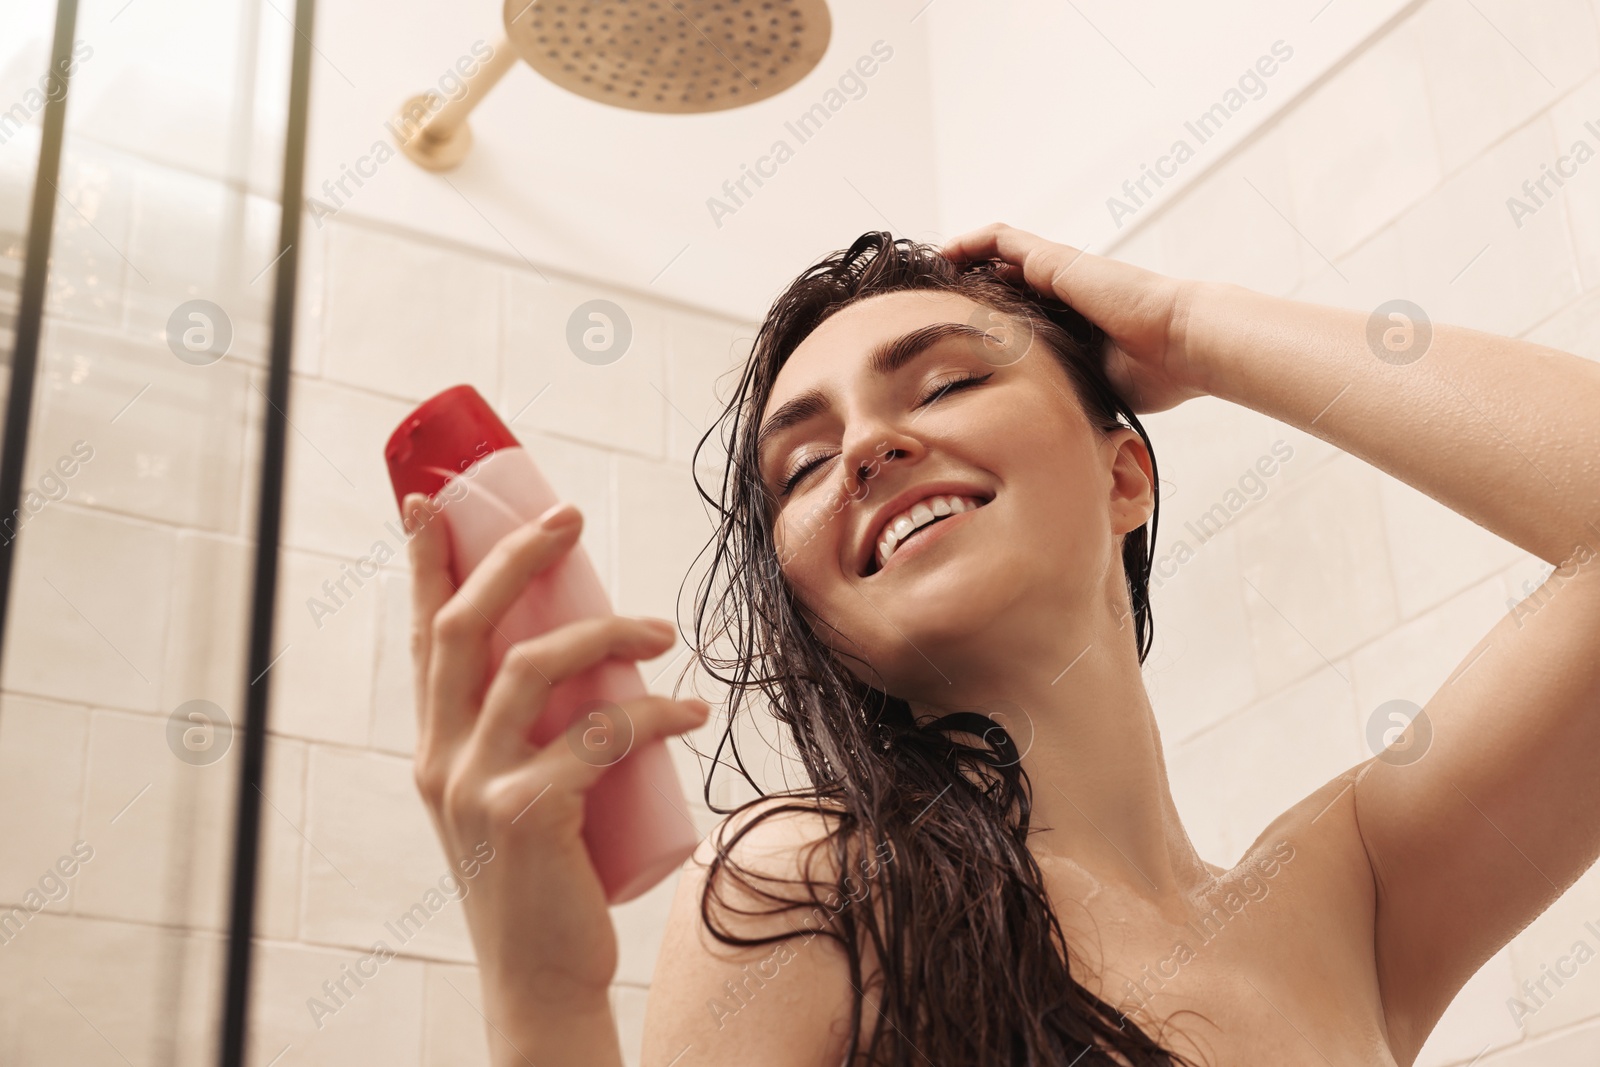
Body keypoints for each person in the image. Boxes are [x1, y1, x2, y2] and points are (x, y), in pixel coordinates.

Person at [400, 224, 1600, 1066]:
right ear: (815, 609)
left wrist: (1192, 325)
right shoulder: (817, 882)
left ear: (1124, 471)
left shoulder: (1351, 905)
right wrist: (542, 999)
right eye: (802, 465)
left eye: (943, 383)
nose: (866, 446)